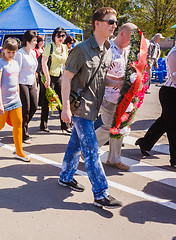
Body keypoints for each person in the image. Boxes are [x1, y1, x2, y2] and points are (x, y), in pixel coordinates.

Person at [59, 7, 123, 208]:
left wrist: (126, 85)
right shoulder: (81, 49)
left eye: (115, 22)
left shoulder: (107, 50)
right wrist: (65, 108)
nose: (114, 25)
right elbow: (66, 79)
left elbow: (103, 80)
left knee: (75, 144)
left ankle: (66, 176)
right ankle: (101, 192)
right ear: (97, 23)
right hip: (80, 107)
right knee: (92, 150)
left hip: (95, 107)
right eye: (110, 21)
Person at [95, 23, 138, 171]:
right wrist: (120, 81)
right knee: (107, 127)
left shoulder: (127, 50)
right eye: (131, 38)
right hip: (108, 95)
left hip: (123, 97)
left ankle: (114, 158)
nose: (132, 42)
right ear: (122, 34)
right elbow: (100, 75)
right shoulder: (108, 48)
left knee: (120, 126)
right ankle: (87, 149)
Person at [0, 38, 31, 162]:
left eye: (13, 52)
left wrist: (19, 96)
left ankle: (19, 151)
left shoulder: (15, 63)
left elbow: (16, 81)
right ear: (4, 50)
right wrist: (0, 103)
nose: (11, 54)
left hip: (15, 99)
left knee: (19, 124)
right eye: (9, 52)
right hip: (2, 100)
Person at [135, 45, 176, 168]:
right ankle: (174, 159)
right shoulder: (174, 53)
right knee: (173, 126)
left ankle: (145, 143)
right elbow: (174, 77)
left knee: (165, 122)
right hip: (171, 92)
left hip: (171, 92)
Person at [40, 27, 70, 133]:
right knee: (47, 101)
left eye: (63, 36)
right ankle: (43, 125)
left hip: (60, 76)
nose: (61, 38)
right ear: (54, 36)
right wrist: (47, 78)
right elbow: (44, 62)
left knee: (61, 99)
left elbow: (65, 63)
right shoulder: (49, 46)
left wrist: (68, 76)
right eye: (59, 36)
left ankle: (65, 125)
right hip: (49, 75)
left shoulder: (65, 47)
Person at [14, 30, 38, 144]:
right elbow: (16, 71)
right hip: (21, 82)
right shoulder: (20, 54)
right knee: (26, 108)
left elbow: (34, 71)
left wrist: (35, 84)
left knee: (34, 106)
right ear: (27, 41)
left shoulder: (33, 53)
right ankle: (24, 133)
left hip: (31, 82)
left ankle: (22, 125)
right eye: (34, 41)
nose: (36, 43)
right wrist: (16, 88)